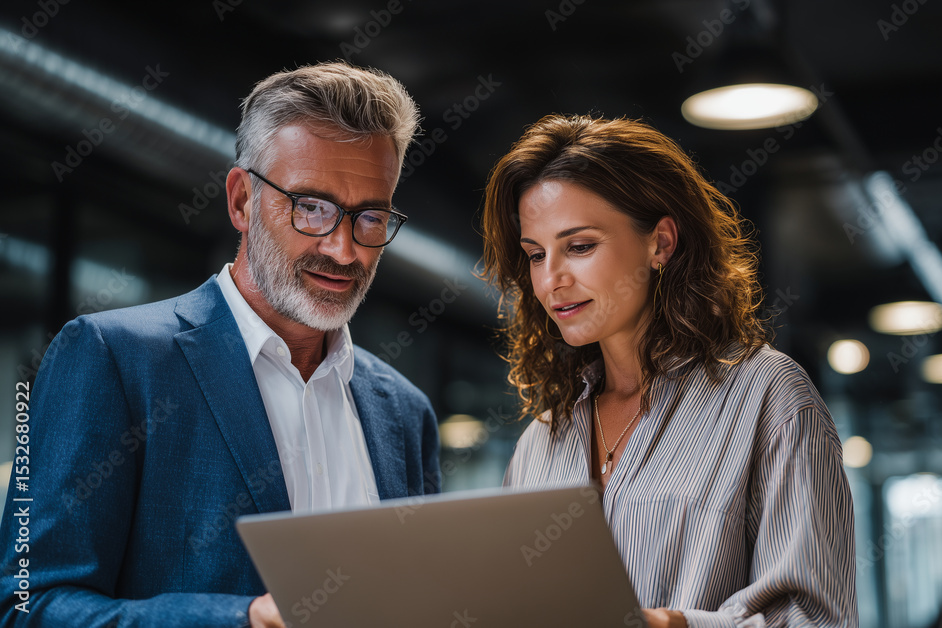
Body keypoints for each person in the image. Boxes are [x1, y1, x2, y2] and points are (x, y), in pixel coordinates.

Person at [0, 62, 441, 628]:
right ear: (241, 201)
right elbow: (25, 608)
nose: (344, 250)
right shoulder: (111, 358)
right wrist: (243, 620)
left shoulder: (406, 414)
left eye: (370, 218)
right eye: (311, 207)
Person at [480, 114, 858, 627]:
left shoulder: (769, 396)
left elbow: (818, 619)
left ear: (660, 242)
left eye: (580, 246)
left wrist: (669, 625)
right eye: (535, 255)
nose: (551, 280)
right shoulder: (541, 441)